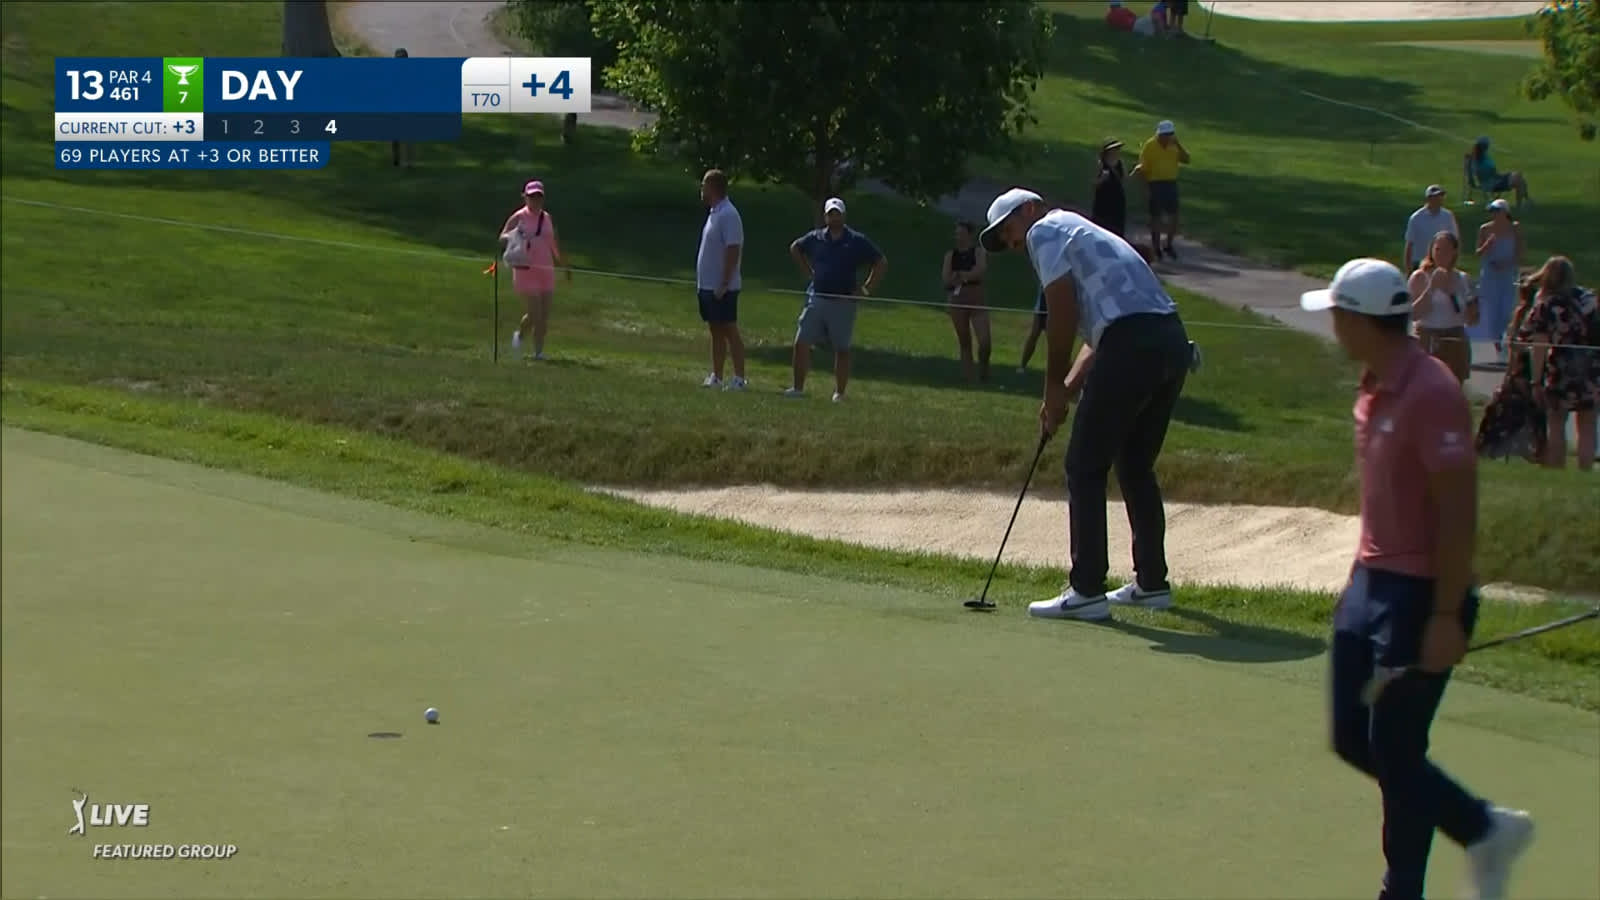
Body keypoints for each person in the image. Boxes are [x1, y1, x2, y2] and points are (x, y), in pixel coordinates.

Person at [1299, 257, 1534, 900]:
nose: (1332, 327)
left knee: (1397, 747)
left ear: (1360, 320)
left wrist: (1443, 614)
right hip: (1369, 584)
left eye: (1337, 316)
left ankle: (1414, 878)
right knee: (1353, 736)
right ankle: (1482, 828)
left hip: (1420, 594)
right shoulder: (1374, 383)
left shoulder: (1431, 391)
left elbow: (1459, 510)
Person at [979, 187, 1191, 621]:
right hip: (1169, 341)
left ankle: (1087, 589)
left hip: (1133, 344)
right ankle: (1152, 584)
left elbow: (1062, 313)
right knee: (1133, 464)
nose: (1012, 243)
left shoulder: (1044, 230)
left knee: (1084, 464)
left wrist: (1051, 386)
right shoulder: (1082, 232)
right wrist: (1067, 390)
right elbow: (1101, 335)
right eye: (1003, 241)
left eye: (1008, 230)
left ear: (1028, 210)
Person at [785, 197, 887, 402]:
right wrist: (808, 272)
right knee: (801, 341)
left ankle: (839, 393)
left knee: (842, 348)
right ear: (825, 216)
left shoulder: (856, 240)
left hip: (843, 301)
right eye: (830, 213)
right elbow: (795, 248)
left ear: (844, 215)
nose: (834, 217)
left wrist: (866, 290)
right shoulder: (816, 237)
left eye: (837, 213)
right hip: (818, 298)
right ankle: (797, 388)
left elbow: (880, 262)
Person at [1519, 256, 1600, 470]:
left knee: (1556, 423)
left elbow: (1540, 345)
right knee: (1588, 425)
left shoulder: (1547, 305)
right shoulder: (1589, 299)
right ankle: (1585, 469)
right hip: (1591, 368)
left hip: (1561, 368)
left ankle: (1557, 468)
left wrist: (1535, 380)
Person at [1476, 275, 1549, 463]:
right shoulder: (1524, 314)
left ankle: (1531, 449)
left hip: (1528, 370)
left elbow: (1514, 347)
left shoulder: (1534, 314)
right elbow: (1513, 347)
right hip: (1525, 370)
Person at [499, 180, 570, 360]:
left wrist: (564, 265)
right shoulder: (518, 217)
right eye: (531, 197)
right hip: (525, 269)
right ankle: (520, 336)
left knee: (543, 316)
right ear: (525, 197)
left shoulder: (547, 218)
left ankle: (538, 351)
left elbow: (554, 243)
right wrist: (515, 236)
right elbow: (502, 237)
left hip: (545, 269)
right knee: (534, 313)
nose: (535, 201)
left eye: (538, 197)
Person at [696, 169, 748, 391]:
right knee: (715, 330)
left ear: (713, 187)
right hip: (708, 285)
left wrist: (725, 282)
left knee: (729, 330)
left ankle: (739, 378)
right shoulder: (714, 212)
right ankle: (717, 376)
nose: (701, 190)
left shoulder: (729, 214)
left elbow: (733, 249)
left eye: (704, 186)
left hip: (722, 287)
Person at [1407, 231, 1475, 384]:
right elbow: (1414, 314)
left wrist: (1454, 294)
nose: (1441, 254)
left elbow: (1471, 319)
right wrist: (1431, 289)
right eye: (1437, 249)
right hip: (1428, 336)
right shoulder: (1420, 277)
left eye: (1446, 250)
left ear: (1454, 252)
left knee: (1454, 388)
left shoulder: (1463, 279)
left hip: (1455, 337)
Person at [1471, 198, 1523, 366]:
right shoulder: (1485, 229)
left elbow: (1520, 252)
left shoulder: (1514, 229)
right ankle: (1495, 346)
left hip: (1507, 276)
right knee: (1490, 310)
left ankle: (1503, 340)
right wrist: (1487, 245)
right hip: (1489, 277)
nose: (1494, 215)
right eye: (1492, 212)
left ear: (1505, 213)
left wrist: (1507, 264)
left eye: (1497, 212)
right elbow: (1478, 252)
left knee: (1506, 310)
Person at [1131, 120, 1189, 260]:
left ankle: (1168, 245)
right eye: (1164, 135)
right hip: (1155, 184)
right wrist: (1146, 189)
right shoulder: (1150, 146)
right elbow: (1143, 170)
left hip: (1170, 183)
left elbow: (1186, 159)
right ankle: (1156, 247)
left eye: (1169, 135)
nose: (1166, 137)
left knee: (1174, 217)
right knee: (1156, 218)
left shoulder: (1174, 146)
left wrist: (1178, 145)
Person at [941, 221, 992, 383]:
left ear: (969, 235)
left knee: (984, 341)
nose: (958, 237)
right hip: (957, 299)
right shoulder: (950, 255)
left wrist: (963, 276)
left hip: (976, 297)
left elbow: (980, 270)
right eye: (957, 233)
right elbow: (946, 278)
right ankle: (967, 376)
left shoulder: (978, 252)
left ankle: (984, 369)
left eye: (961, 233)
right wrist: (956, 278)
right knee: (964, 339)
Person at [1401, 184, 1457, 274]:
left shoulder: (1448, 216)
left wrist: (1452, 262)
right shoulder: (1416, 218)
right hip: (1420, 263)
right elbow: (1409, 244)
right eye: (1436, 197)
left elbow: (1454, 241)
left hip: (1441, 262)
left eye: (1441, 196)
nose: (1439, 199)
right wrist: (1408, 269)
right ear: (1428, 199)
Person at [1467, 136, 1532, 209]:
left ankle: (1526, 201)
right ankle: (1520, 205)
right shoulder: (1479, 160)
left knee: (1519, 176)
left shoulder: (1481, 157)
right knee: (1518, 180)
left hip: (1494, 180)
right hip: (1492, 184)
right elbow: (1487, 174)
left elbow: (1492, 173)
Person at [1091, 138, 1127, 239]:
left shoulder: (1120, 163)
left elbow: (1123, 178)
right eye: (1113, 149)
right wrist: (1102, 179)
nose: (1116, 152)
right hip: (1103, 199)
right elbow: (1094, 184)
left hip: (1117, 198)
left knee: (1117, 226)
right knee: (1102, 225)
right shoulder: (1101, 164)